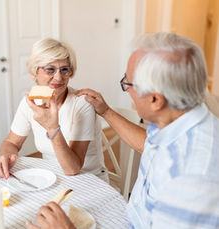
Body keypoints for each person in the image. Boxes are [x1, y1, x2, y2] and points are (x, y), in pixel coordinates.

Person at [27, 32, 219, 229]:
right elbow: (149, 145)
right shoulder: (179, 119)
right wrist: (106, 111)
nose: (126, 89)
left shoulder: (192, 181)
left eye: (127, 83)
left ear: (155, 100)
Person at [0, 38, 108, 182]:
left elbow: (73, 168)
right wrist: (5, 155)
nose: (58, 77)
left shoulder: (82, 104)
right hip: (52, 176)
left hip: (89, 179)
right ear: (34, 73)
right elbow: (12, 143)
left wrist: (52, 128)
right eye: (50, 69)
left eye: (64, 69)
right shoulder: (30, 102)